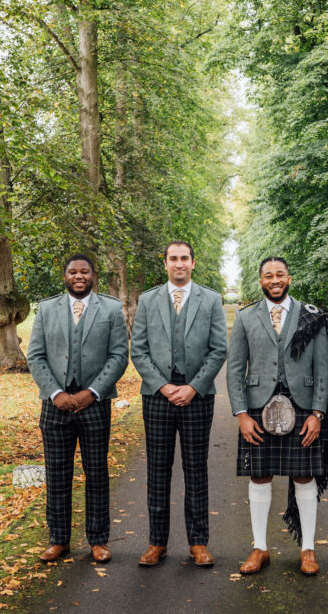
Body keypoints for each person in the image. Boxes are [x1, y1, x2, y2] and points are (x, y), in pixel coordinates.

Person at [226, 257, 328, 576]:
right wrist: (242, 414)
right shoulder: (245, 317)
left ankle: (308, 549)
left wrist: (317, 413)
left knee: (304, 476)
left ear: (290, 278)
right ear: (260, 281)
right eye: (268, 276)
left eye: (280, 274)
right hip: (259, 407)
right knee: (259, 476)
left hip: (302, 405)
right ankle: (260, 548)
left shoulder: (311, 316)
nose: (275, 279)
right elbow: (234, 370)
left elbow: (324, 368)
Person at [27, 254, 129, 564]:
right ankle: (58, 540)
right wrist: (55, 392)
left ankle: (98, 541)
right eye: (73, 271)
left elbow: (119, 356)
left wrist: (93, 391)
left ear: (93, 275)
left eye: (84, 271)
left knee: (96, 473)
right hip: (55, 405)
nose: (79, 276)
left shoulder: (110, 308)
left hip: (94, 404)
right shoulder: (46, 309)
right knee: (57, 474)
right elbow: (36, 356)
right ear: (65, 275)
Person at [130, 241, 227, 567]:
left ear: (193, 263)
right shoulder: (148, 300)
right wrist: (164, 386)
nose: (179, 263)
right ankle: (157, 542)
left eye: (185, 258)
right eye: (174, 258)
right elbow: (139, 350)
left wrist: (194, 387)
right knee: (158, 470)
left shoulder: (211, 300)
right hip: (157, 397)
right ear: (166, 263)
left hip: (198, 399)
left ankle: (198, 542)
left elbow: (218, 350)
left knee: (196, 470)